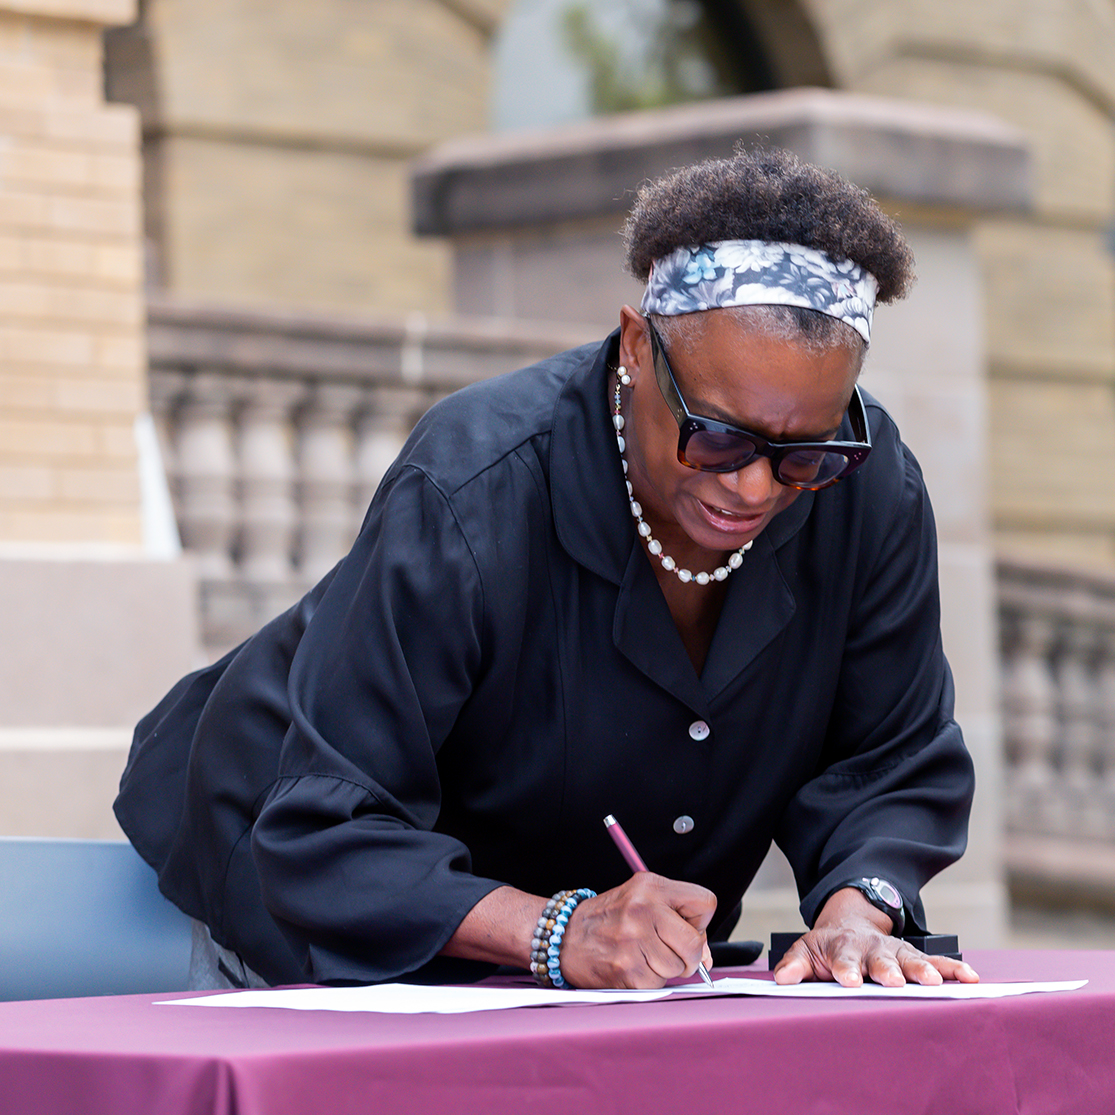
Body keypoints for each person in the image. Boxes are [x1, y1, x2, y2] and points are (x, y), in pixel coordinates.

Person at [115, 148, 980, 993]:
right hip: (306, 891)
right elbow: (324, 826)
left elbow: (892, 756)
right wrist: (559, 931)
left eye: (804, 453)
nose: (755, 485)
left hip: (599, 969)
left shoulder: (869, 487)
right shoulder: (474, 478)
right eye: (718, 435)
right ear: (637, 347)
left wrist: (859, 909)